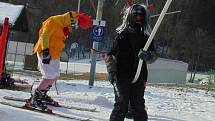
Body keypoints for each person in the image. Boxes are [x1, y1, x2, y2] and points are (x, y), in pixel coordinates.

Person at [29, 11, 92, 110]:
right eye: (75, 23)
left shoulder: (64, 25)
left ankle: (42, 94)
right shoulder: (53, 21)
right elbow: (44, 36)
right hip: (45, 52)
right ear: (71, 19)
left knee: (55, 75)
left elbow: (58, 40)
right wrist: (45, 51)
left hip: (55, 53)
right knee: (49, 76)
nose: (75, 26)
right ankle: (35, 99)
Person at [104, 4, 157, 121]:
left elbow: (154, 55)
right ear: (130, 16)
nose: (138, 17)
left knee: (138, 106)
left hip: (139, 75)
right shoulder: (121, 34)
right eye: (136, 15)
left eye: (140, 15)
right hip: (122, 74)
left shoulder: (147, 35)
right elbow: (111, 55)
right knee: (121, 104)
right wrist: (111, 71)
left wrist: (148, 55)